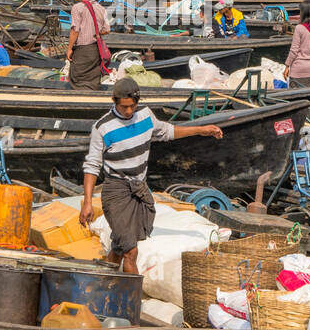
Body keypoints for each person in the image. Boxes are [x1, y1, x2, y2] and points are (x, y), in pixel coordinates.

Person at [79, 76, 222, 274]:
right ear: (114, 101)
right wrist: (87, 202)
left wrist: (200, 130)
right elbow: (92, 166)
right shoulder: (102, 127)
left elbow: (167, 131)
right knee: (131, 251)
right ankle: (133, 301)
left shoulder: (145, 115)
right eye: (123, 107)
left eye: (132, 106)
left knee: (121, 246)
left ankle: (105, 283)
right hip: (116, 192)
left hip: (139, 188)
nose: (128, 111)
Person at [66, 0, 111, 90]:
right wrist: (96, 33)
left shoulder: (77, 8)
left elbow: (75, 30)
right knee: (92, 79)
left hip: (83, 50)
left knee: (77, 78)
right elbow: (107, 29)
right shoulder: (102, 9)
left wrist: (70, 48)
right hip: (95, 50)